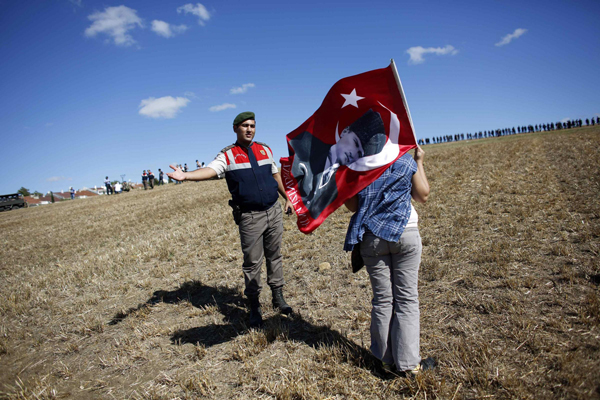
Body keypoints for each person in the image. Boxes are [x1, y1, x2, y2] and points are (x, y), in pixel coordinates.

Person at [167, 111, 295, 327]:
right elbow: (209, 170)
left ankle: (278, 297)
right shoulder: (227, 155)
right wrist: (186, 176)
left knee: (275, 256)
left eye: (252, 125)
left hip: (273, 211)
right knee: (252, 263)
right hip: (250, 217)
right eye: (244, 125)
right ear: (235, 128)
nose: (249, 129)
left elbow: (276, 175)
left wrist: (288, 198)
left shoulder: (265, 149)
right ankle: (254, 306)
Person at [343, 145, 433, 377]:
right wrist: (419, 161)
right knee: (407, 299)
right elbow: (422, 195)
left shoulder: (357, 165)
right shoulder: (403, 158)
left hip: (372, 238)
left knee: (383, 300)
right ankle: (409, 365)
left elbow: (352, 206)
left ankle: (384, 363)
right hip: (406, 232)